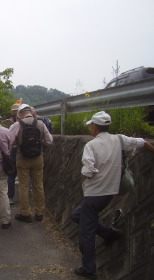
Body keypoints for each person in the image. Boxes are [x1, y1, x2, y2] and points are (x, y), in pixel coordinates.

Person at [70, 111, 154, 279]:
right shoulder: (119, 139)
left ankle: (88, 269)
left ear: (95, 126)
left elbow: (88, 170)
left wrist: (86, 176)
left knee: (86, 232)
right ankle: (110, 233)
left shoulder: (91, 145)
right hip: (110, 192)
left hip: (94, 193)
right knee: (77, 215)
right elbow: (142, 142)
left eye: (91, 125)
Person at [9, 104, 53, 223]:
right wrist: (40, 142)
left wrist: (18, 143)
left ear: (20, 114)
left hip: (22, 158)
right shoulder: (41, 124)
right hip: (38, 158)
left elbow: (9, 141)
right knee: (38, 185)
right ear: (31, 112)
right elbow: (49, 141)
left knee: (23, 186)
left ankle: (25, 213)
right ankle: (39, 213)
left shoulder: (17, 125)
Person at [7, 103, 20, 204]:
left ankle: (10, 197)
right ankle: (26, 197)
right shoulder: (34, 123)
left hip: (15, 151)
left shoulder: (14, 125)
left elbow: (9, 140)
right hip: (27, 153)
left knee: (11, 174)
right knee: (24, 176)